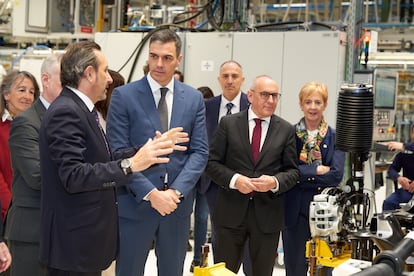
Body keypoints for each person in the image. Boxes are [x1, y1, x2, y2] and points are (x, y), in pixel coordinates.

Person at [39, 41, 188, 275]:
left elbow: (104, 158)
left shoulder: (81, 110)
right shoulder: (66, 112)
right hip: (74, 246)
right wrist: (132, 165)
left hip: (84, 244)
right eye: (105, 70)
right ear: (89, 74)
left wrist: (149, 148)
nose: (110, 79)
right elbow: (74, 176)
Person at [106, 28, 209, 276]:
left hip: (176, 207)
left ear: (179, 60)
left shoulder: (193, 99)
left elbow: (199, 152)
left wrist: (175, 192)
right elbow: (118, 154)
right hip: (135, 203)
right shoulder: (123, 96)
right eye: (153, 56)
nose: (159, 64)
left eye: (167, 58)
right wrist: (152, 194)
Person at [205, 75, 299, 276]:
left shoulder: (286, 129)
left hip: (267, 218)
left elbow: (292, 172)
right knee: (224, 273)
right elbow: (211, 164)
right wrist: (235, 180)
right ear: (250, 96)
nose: (271, 101)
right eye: (265, 95)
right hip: (230, 215)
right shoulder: (228, 124)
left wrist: (274, 182)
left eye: (275, 96)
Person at [4, 53, 62, 276]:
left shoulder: (66, 118)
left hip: (60, 230)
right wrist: (80, 174)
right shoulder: (26, 123)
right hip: (32, 230)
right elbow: (37, 176)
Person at [283, 81, 345, 276]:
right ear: (301, 104)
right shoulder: (288, 134)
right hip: (295, 209)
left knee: (324, 268)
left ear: (325, 105)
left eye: (317, 102)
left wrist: (302, 173)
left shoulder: (335, 136)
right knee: (294, 266)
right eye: (308, 102)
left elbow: (335, 176)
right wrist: (317, 170)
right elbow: (287, 172)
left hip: (326, 212)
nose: (312, 107)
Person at [200, 60, 251, 275]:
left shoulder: (252, 105)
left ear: (242, 80)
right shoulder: (207, 107)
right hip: (213, 184)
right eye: (226, 76)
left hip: (246, 185)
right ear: (219, 80)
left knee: (247, 239)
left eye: (234, 76)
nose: (230, 80)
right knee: (221, 239)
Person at [0, 70, 40, 220]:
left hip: (30, 208)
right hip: (8, 211)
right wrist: (9, 206)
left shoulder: (38, 126)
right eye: (21, 90)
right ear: (6, 94)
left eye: (31, 92)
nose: (27, 97)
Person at [189, 86, 214, 273]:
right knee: (192, 217)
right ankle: (195, 257)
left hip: (208, 175)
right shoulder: (191, 117)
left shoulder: (213, 119)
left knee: (202, 216)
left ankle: (199, 258)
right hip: (190, 175)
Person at [384, 126, 414, 211]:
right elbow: (391, 170)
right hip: (408, 190)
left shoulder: (405, 147)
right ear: (412, 134)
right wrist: (399, 178)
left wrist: (403, 145)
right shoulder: (405, 153)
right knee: (388, 203)